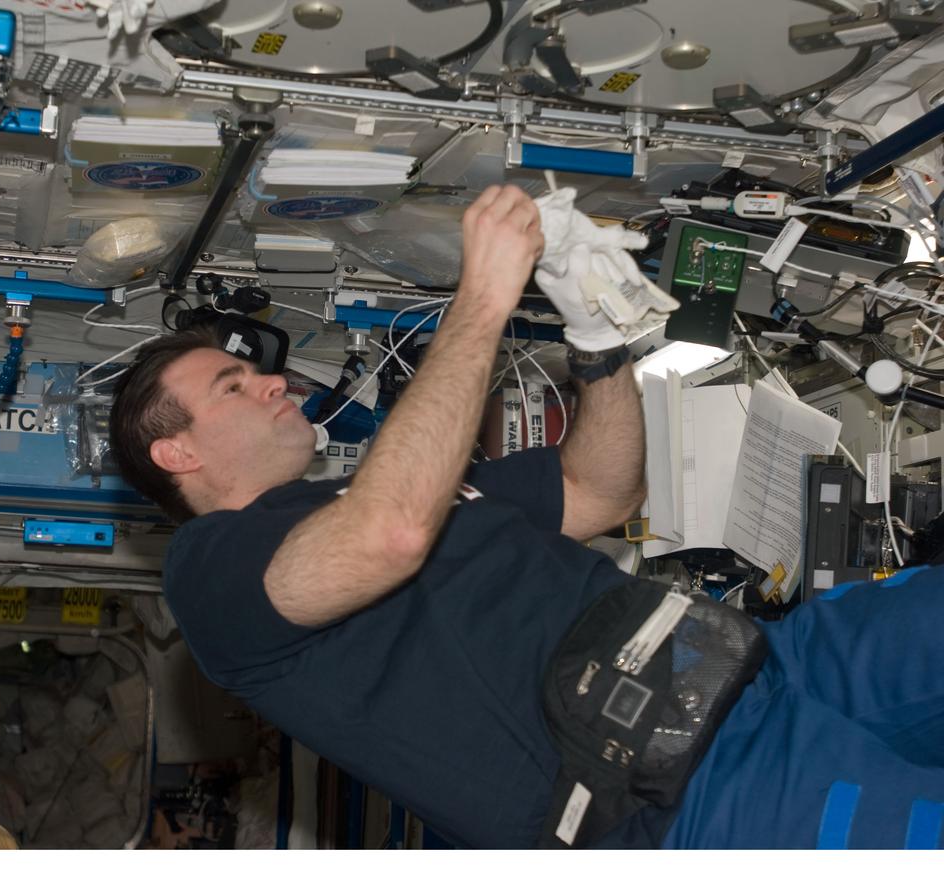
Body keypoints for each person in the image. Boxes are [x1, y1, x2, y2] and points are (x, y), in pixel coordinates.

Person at [109, 185, 944, 849]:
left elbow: (599, 492)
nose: (270, 381)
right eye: (231, 385)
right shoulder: (211, 572)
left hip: (759, 666)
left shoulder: (377, 489)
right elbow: (389, 536)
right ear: (177, 454)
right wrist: (482, 299)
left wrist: (595, 340)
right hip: (689, 802)